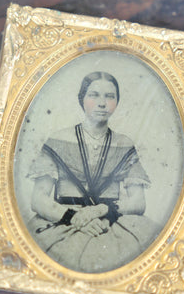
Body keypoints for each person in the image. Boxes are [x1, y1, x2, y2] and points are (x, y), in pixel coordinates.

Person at [27, 71, 157, 273]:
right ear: (82, 98)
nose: (102, 103)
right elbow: (38, 199)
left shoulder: (124, 144)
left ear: (117, 101)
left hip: (111, 220)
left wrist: (100, 211)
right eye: (94, 95)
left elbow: (138, 202)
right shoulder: (58, 140)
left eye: (110, 96)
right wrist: (73, 217)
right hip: (63, 220)